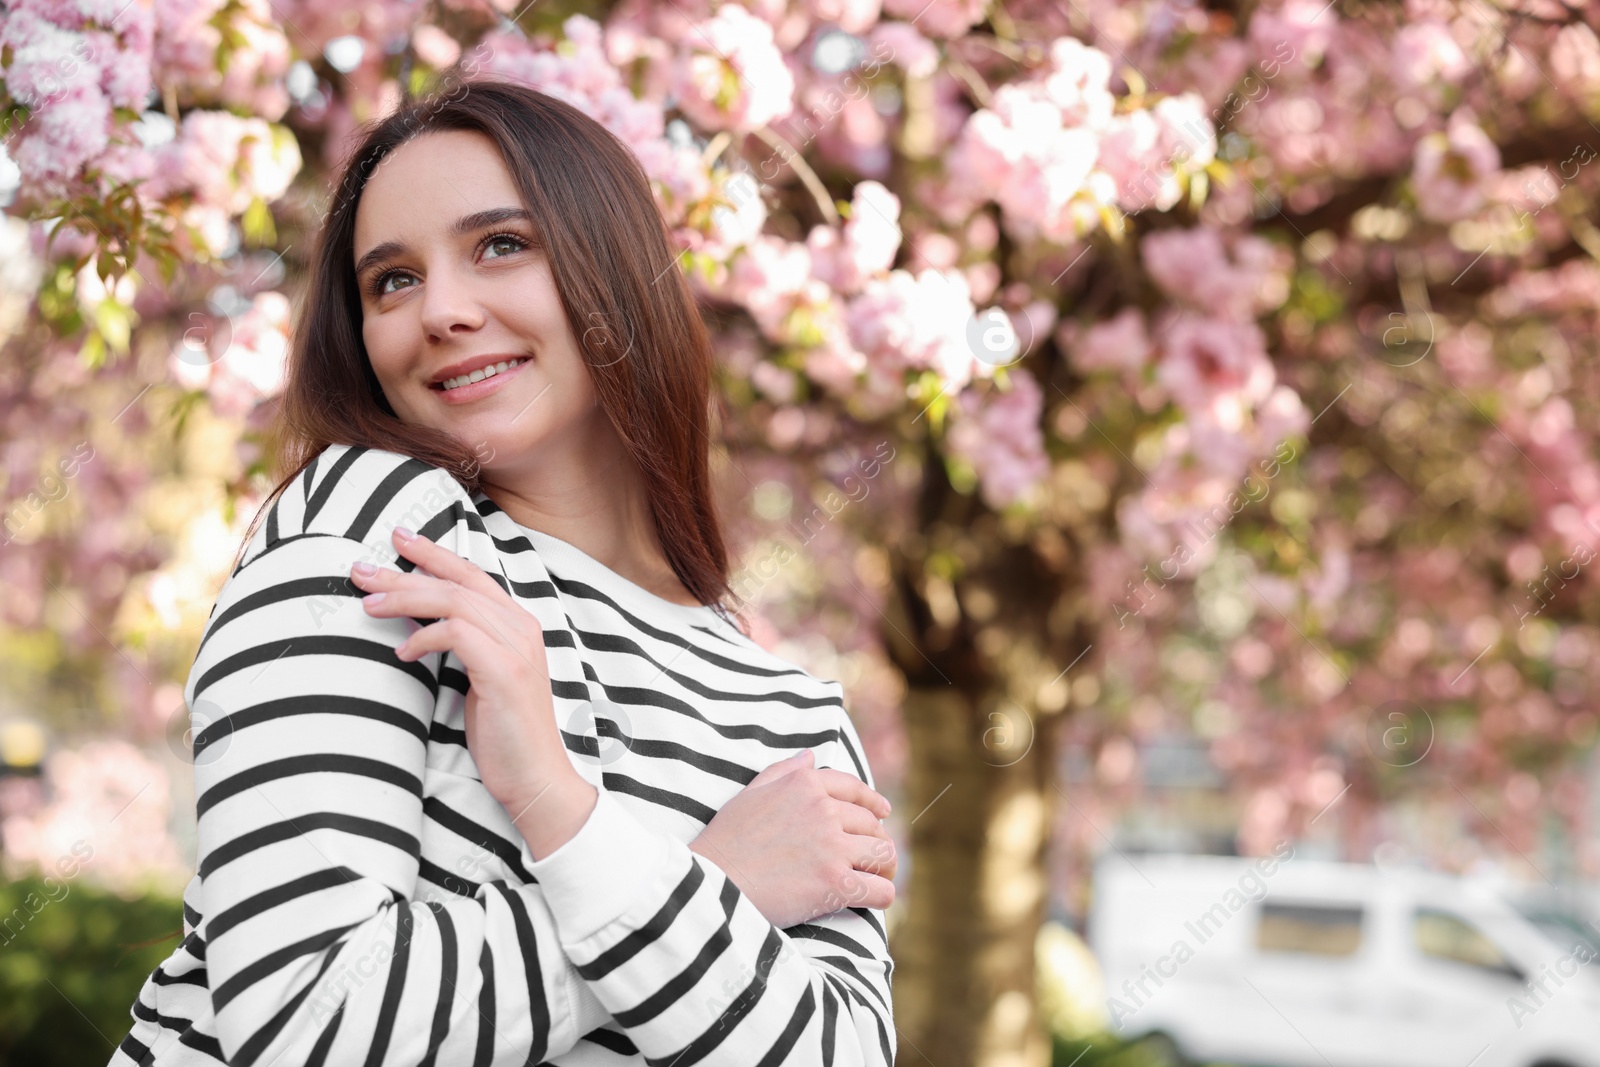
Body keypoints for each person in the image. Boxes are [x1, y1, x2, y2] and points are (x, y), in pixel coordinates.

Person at [110, 78, 898, 1067]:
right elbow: (308, 1019)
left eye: (500, 245)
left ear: (614, 270)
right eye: (390, 280)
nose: (440, 310)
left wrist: (570, 816)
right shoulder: (377, 528)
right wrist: (704, 875)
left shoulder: (793, 717)